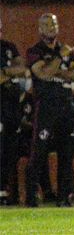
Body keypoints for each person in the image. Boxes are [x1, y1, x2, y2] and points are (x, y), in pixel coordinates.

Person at [25, 13, 74, 207]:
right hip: (45, 106)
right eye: (47, 25)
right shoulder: (35, 51)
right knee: (39, 151)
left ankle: (64, 197)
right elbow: (43, 73)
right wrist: (59, 59)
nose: (52, 27)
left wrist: (57, 70)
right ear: (40, 29)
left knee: (66, 152)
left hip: (66, 105)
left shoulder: (68, 50)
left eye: (54, 24)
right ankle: (32, 196)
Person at [0, 18, 28, 205]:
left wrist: (5, 72)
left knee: (10, 148)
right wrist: (11, 74)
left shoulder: (9, 46)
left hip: (11, 106)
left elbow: (22, 68)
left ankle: (2, 189)